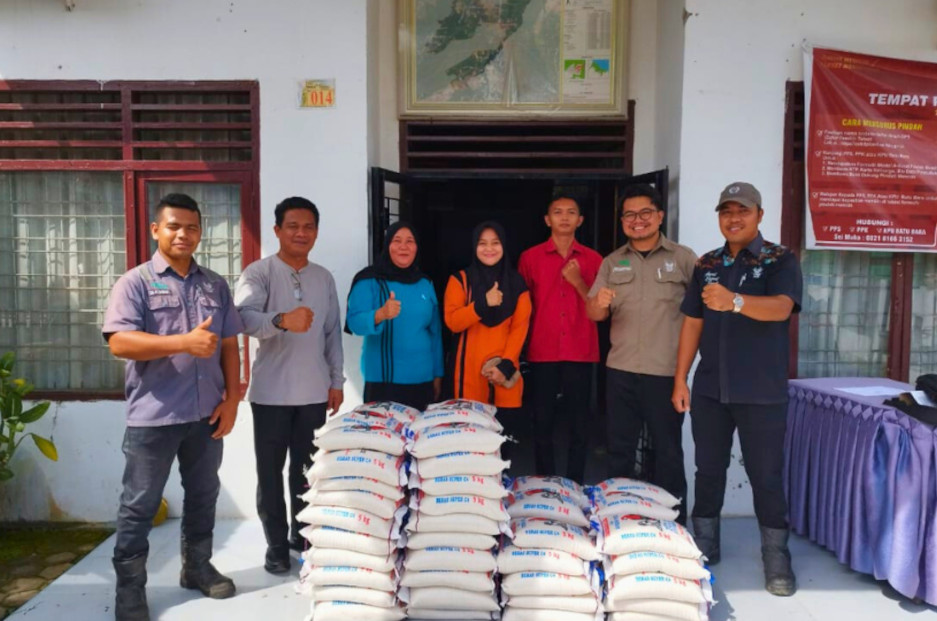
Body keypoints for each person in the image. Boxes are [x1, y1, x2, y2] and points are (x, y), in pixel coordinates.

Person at [103, 193, 243, 621]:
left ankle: (197, 567)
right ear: (156, 230)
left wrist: (233, 398)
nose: (184, 234)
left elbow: (229, 345)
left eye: (192, 227)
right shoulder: (136, 282)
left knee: (203, 495)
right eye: (174, 226)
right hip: (154, 417)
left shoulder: (214, 284)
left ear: (201, 232)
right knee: (140, 504)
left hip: (206, 414)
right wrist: (181, 342)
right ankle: (130, 589)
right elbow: (119, 342)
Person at [672, 182, 802, 596]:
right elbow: (693, 321)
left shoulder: (780, 259)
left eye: (742, 210)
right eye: (726, 211)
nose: (733, 218)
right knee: (708, 471)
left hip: (761, 392)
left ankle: (776, 558)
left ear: (759, 215)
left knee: (765, 475)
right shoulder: (707, 263)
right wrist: (681, 377)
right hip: (711, 389)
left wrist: (737, 301)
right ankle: (706, 545)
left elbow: (783, 307)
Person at [234, 196, 344, 574]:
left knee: (307, 470)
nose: (301, 233)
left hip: (314, 393)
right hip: (270, 395)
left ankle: (303, 535)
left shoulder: (324, 277)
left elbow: (332, 334)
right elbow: (243, 319)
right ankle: (276, 545)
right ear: (277, 230)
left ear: (316, 232)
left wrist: (336, 380)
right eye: (293, 226)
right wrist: (281, 320)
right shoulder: (258, 273)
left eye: (309, 226)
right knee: (269, 471)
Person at [586, 184, 696, 524]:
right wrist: (598, 303)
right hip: (620, 370)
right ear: (622, 221)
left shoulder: (683, 258)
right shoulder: (612, 262)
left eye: (645, 213)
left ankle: (673, 525)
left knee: (667, 453)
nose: (638, 221)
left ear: (659, 216)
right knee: (619, 450)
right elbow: (594, 314)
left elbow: (701, 313)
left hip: (665, 373)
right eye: (630, 215)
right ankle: (619, 523)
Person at [518, 197, 602, 484]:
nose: (564, 217)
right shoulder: (530, 258)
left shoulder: (594, 259)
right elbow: (522, 306)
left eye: (571, 213)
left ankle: (575, 483)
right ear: (547, 219)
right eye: (557, 212)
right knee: (542, 422)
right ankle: (546, 484)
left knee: (580, 423)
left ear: (580, 220)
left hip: (581, 348)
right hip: (543, 349)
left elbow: (602, 307)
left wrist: (579, 280)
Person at [444, 221, 532, 449]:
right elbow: (453, 322)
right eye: (482, 243)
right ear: (474, 247)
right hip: (468, 377)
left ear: (504, 246)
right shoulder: (460, 280)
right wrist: (482, 304)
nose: (489, 248)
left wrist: (505, 366)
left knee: (504, 446)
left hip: (505, 375)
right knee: (469, 446)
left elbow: (520, 328)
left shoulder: (517, 284)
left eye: (495, 243)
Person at [345, 221, 443, 410]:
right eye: (397, 240)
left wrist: (437, 374)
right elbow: (354, 323)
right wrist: (379, 314)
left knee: (418, 438)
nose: (403, 247)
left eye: (410, 241)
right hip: (384, 382)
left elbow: (435, 333)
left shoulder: (425, 283)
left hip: (423, 379)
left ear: (416, 247)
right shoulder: (369, 280)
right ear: (388, 244)